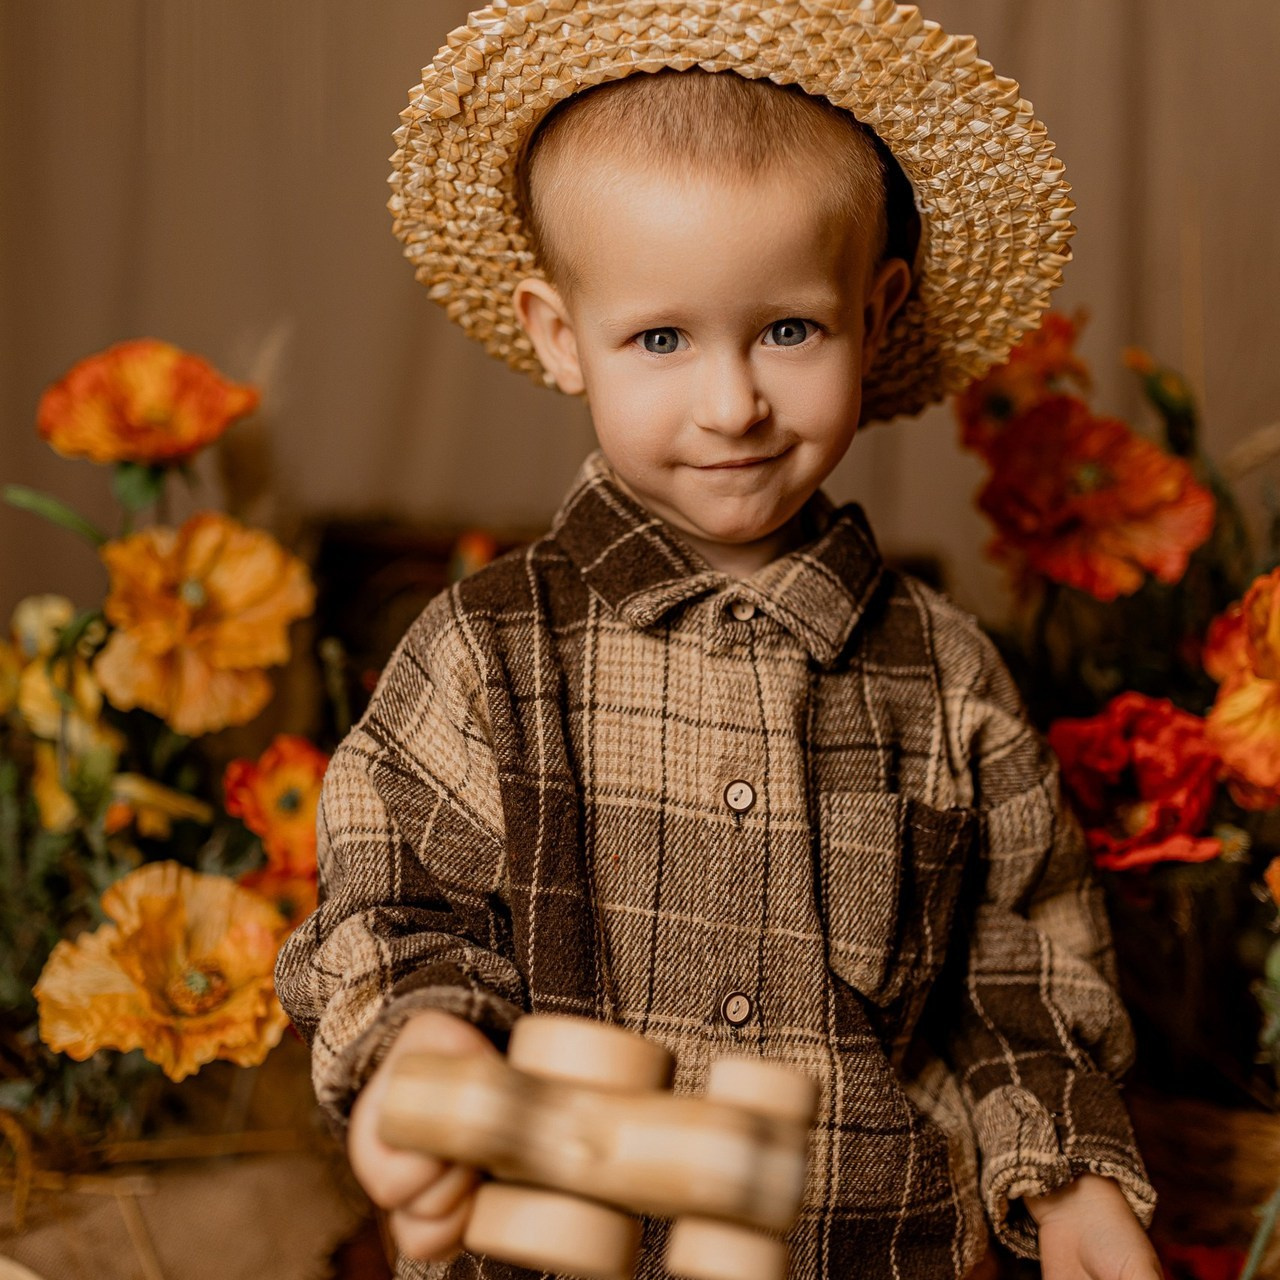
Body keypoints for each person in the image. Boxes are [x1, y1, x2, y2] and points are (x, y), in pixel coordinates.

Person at [276, 3, 1163, 1277]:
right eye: (660, 338)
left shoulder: (945, 675)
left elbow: (1016, 975)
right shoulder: (484, 652)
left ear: (875, 309)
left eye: (787, 329)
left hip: (876, 1247)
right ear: (556, 335)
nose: (734, 400)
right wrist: (423, 1048)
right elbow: (391, 903)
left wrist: (1065, 1170)